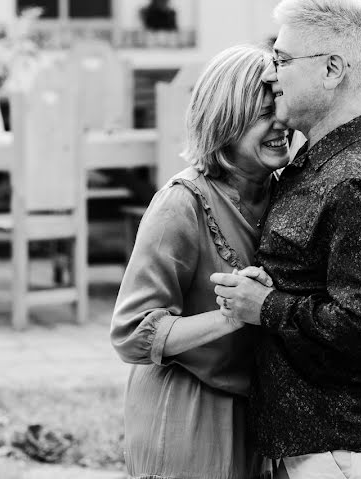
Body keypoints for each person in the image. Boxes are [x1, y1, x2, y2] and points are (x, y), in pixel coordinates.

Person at [211, 0, 361, 479]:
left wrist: (266, 308)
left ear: (331, 69)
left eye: (282, 60)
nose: (272, 74)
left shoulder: (354, 181)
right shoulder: (329, 160)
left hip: (344, 453)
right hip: (329, 443)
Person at [110, 44, 290, 479]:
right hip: (187, 418)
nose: (281, 123)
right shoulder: (182, 204)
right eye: (264, 113)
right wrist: (229, 317)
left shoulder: (286, 194)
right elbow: (131, 333)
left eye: (282, 107)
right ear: (225, 122)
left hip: (255, 419)